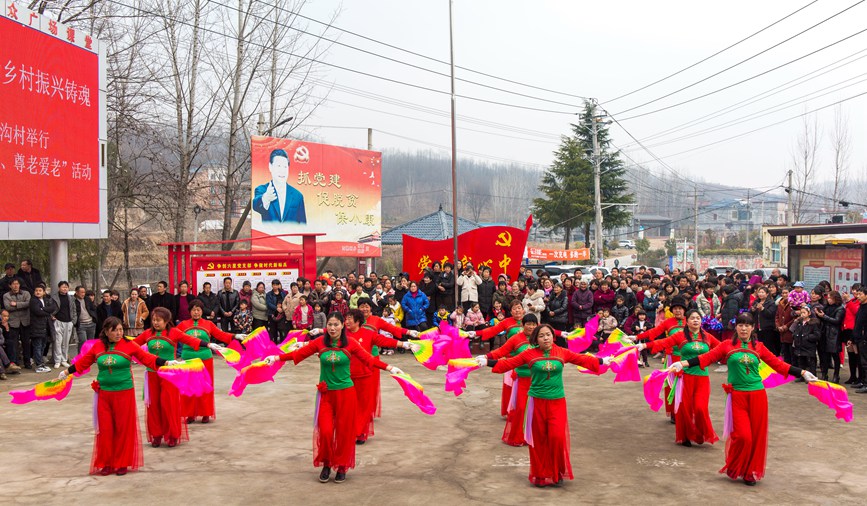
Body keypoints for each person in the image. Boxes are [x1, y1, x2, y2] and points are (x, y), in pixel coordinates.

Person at [668, 313, 818, 485]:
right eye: (740, 325)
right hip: (737, 397)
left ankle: (749, 472)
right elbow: (705, 358)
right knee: (743, 436)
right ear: (736, 327)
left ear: (753, 328)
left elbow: (779, 365)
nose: (744, 328)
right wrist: (682, 364)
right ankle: (735, 464)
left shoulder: (759, 347)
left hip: (758, 396)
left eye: (747, 325)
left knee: (755, 437)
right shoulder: (726, 346)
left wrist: (803, 373)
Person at [264, 312, 404, 483]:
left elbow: (368, 359)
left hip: (346, 394)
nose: (332, 328)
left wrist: (390, 367)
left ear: (342, 326)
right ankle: (327, 464)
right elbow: (298, 354)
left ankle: (342, 466)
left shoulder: (351, 343)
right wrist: (276, 357)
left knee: (344, 433)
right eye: (330, 325)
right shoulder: (320, 342)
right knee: (326, 431)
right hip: (326, 395)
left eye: (336, 324)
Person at [477, 324, 607, 487]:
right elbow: (508, 363)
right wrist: (486, 362)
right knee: (538, 440)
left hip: (557, 401)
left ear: (553, 336)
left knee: (556, 437)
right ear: (536, 339)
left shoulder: (562, 352)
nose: (546, 338)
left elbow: (582, 359)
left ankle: (556, 471)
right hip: (536, 402)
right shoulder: (529, 354)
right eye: (542, 336)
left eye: (548, 335)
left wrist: (603, 360)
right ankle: (541, 475)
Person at [59, 317, 178, 475]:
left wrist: (167, 362)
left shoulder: (129, 345)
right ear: (106, 331)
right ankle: (106, 462)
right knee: (106, 429)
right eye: (115, 330)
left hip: (124, 393)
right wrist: (67, 372)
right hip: (104, 394)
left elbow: (147, 358)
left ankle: (122, 462)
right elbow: (84, 362)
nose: (119, 333)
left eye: (121, 329)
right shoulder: (98, 346)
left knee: (123, 428)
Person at [133, 307, 216, 448]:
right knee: (154, 406)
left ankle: (172, 435)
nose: (155, 323)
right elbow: (132, 346)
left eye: (158, 320)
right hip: (152, 374)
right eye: (153, 320)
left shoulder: (174, 332)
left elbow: (191, 340)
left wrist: (208, 344)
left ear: (166, 321)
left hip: (169, 374)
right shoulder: (147, 333)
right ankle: (157, 435)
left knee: (169, 404)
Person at [637, 309, 720, 447]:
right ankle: (686, 436)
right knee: (685, 408)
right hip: (685, 376)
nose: (695, 320)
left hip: (702, 377)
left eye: (698, 318)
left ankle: (700, 434)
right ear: (686, 321)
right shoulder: (680, 336)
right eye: (692, 318)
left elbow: (723, 348)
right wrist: (644, 345)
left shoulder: (708, 337)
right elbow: (662, 342)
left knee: (700, 408)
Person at [175, 299, 244, 423]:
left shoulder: (208, 324)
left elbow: (221, 335)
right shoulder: (182, 325)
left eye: (198, 310)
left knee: (205, 386)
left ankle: (205, 413)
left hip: (205, 359)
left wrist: (235, 336)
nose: (196, 312)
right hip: (188, 360)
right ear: (189, 312)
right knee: (188, 387)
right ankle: (189, 414)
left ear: (202, 311)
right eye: (193, 310)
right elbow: (172, 338)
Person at [483, 314, 539, 446]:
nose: (531, 327)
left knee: (538, 410)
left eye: (533, 324)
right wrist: (486, 357)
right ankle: (519, 437)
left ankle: (535, 437)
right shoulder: (516, 339)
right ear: (523, 325)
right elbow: (501, 351)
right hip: (522, 379)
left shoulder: (540, 337)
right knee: (520, 408)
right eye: (528, 324)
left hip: (539, 380)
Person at [252, 148, 307, 223]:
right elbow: (255, 205)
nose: (282, 171)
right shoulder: (262, 189)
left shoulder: (298, 196)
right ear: (270, 167)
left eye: (285, 167)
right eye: (279, 166)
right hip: (269, 234)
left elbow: (303, 225)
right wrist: (266, 198)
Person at [815, 291, 844, 383]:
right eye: (828, 298)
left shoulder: (840, 309)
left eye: (831, 298)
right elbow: (823, 318)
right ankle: (825, 374)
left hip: (834, 334)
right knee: (824, 355)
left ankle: (836, 375)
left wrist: (824, 316)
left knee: (835, 355)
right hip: (824, 332)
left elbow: (836, 320)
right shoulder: (826, 307)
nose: (829, 300)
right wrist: (818, 315)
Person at [29, 284, 57, 373]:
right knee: (37, 346)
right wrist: (47, 312)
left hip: (46, 327)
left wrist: (43, 309)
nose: (38, 292)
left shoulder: (46, 299)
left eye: (40, 291)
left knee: (43, 346)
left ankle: (41, 362)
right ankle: (38, 364)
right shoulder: (33, 300)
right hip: (36, 327)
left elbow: (53, 308)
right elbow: (37, 312)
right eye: (36, 290)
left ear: (44, 292)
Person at [4, 278, 31, 367]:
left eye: (17, 284)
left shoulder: (26, 293)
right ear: (10, 285)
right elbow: (8, 307)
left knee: (26, 343)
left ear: (20, 285)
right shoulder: (6, 295)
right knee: (14, 344)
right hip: (13, 322)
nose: (16, 286)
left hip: (25, 322)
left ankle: (27, 362)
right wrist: (22, 305)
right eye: (13, 284)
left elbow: (28, 303)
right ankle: (15, 363)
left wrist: (16, 304)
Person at [50, 281, 78, 368]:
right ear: (59, 288)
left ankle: (64, 360)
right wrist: (51, 316)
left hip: (68, 322)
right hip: (58, 321)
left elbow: (74, 310)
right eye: (63, 287)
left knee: (65, 343)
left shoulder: (71, 298)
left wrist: (73, 321)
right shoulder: (54, 298)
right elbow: (50, 308)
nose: (64, 288)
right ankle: (57, 361)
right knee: (58, 342)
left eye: (66, 287)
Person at [791, 305, 820, 380]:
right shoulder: (799, 322)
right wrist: (795, 336)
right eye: (801, 313)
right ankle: (802, 376)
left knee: (811, 362)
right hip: (800, 345)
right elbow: (794, 331)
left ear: (809, 313)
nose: (802, 314)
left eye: (804, 313)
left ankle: (813, 375)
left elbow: (817, 335)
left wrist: (807, 337)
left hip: (809, 345)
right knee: (801, 361)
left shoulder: (813, 323)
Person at [751, 286, 778, 356]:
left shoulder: (771, 303)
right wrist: (753, 310)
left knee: (768, 346)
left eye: (762, 292)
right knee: (760, 345)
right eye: (759, 292)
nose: (760, 294)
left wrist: (763, 309)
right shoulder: (756, 302)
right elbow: (752, 314)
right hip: (758, 327)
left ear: (767, 294)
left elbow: (771, 314)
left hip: (768, 328)